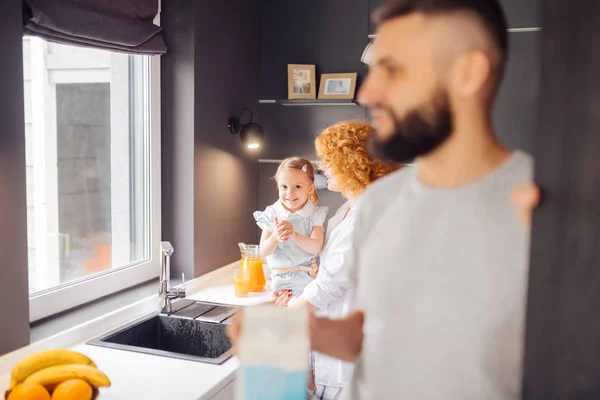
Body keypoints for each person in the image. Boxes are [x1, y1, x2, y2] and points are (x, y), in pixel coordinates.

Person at [230, 0, 540, 398]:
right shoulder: (381, 202)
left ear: (468, 73)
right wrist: (286, 330)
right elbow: (376, 337)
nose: (369, 92)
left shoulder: (534, 208)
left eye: (391, 70)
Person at [273, 121, 399, 400]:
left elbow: (329, 286)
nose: (322, 167)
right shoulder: (348, 209)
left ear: (351, 164)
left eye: (329, 160)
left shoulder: (366, 216)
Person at [253, 157, 328, 297]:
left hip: (307, 281)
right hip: (278, 283)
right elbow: (263, 251)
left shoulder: (314, 215)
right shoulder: (272, 213)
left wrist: (294, 236)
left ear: (310, 188)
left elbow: (316, 247)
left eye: (297, 187)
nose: (290, 193)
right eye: (284, 187)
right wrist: (275, 237)